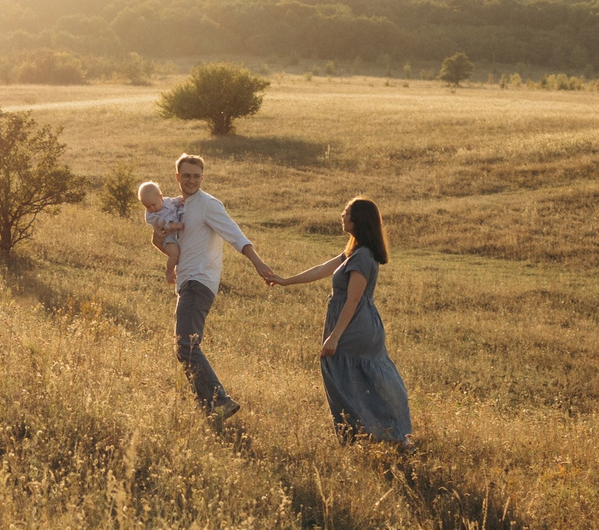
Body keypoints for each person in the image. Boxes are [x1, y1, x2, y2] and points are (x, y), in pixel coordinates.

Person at [264, 196, 413, 444]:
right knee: (361, 376)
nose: (342, 216)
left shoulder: (363, 257)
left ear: (358, 220)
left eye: (347, 212)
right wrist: (285, 280)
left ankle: (370, 434)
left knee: (341, 373)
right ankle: (376, 433)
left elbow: (352, 301)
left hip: (355, 326)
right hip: (357, 325)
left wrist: (334, 336)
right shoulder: (354, 253)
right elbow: (322, 269)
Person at [158, 153, 275, 419]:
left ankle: (219, 401)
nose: (191, 180)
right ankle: (208, 407)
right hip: (187, 281)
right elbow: (169, 246)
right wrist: (159, 238)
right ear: (177, 177)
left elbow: (235, 235)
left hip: (199, 282)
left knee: (186, 345)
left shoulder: (209, 204)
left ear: (202, 177)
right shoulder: (177, 208)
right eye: (186, 175)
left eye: (196, 176)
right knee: (184, 347)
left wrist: (257, 263)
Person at [137, 179, 184, 276]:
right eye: (147, 206)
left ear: (161, 197)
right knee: (175, 254)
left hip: (176, 234)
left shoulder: (166, 201)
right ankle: (170, 271)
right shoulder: (151, 215)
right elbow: (163, 224)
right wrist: (175, 226)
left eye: (153, 204)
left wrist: (180, 200)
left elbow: (173, 201)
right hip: (167, 237)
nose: (151, 208)